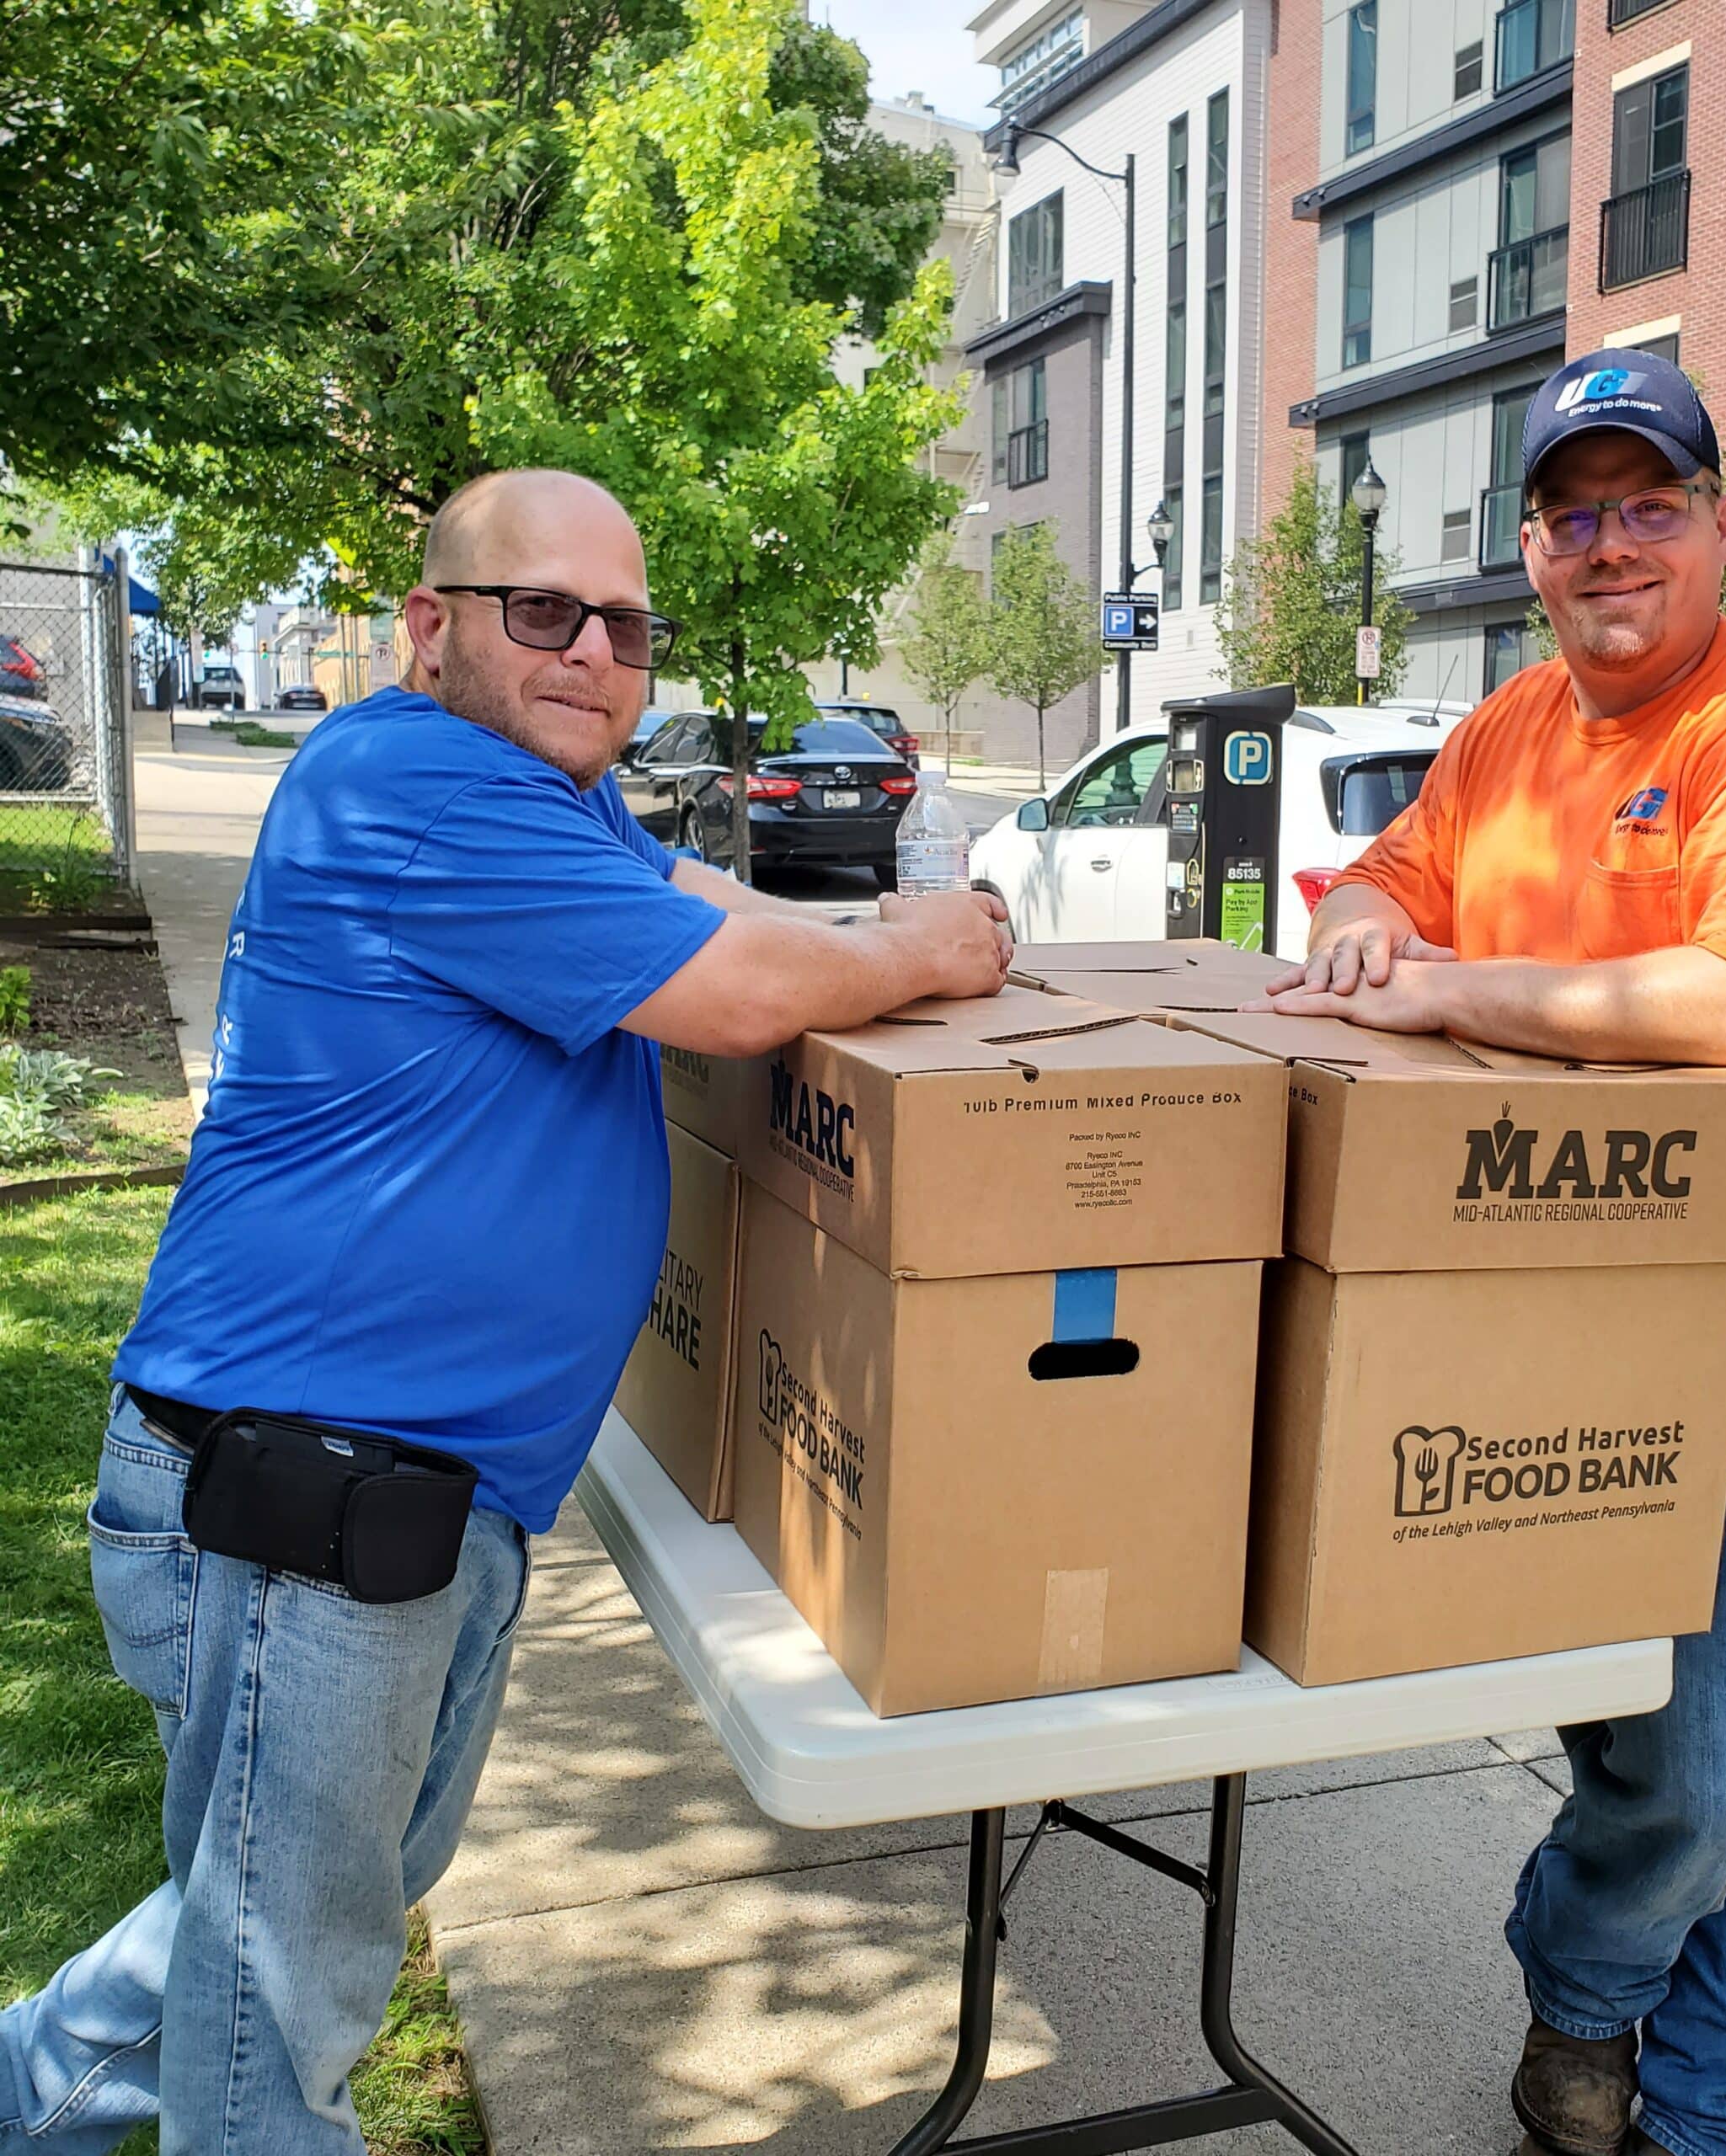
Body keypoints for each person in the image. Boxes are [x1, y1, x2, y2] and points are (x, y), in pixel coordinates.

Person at [0, 469, 1012, 2156]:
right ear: (431, 626)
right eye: (543, 612)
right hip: (307, 1497)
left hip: (394, 1499)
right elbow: (747, 994)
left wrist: (909, 930)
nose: (595, 653)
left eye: (626, 624)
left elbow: (735, 918)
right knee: (283, 1994)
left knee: (301, 1895)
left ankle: (28, 2084)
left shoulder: (558, 808)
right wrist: (916, 944)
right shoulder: (414, 778)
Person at [1261, 350, 1726, 2156]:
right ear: (1530, 551)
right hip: (1520, 1350)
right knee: (1680, 1778)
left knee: (1702, 1779)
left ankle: (1574, 1990)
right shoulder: (1500, 736)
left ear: (1719, 523)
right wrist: (1373, 929)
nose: (1607, 545)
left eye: (1648, 506)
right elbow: (1385, 879)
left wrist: (1457, 986)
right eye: (1572, 514)